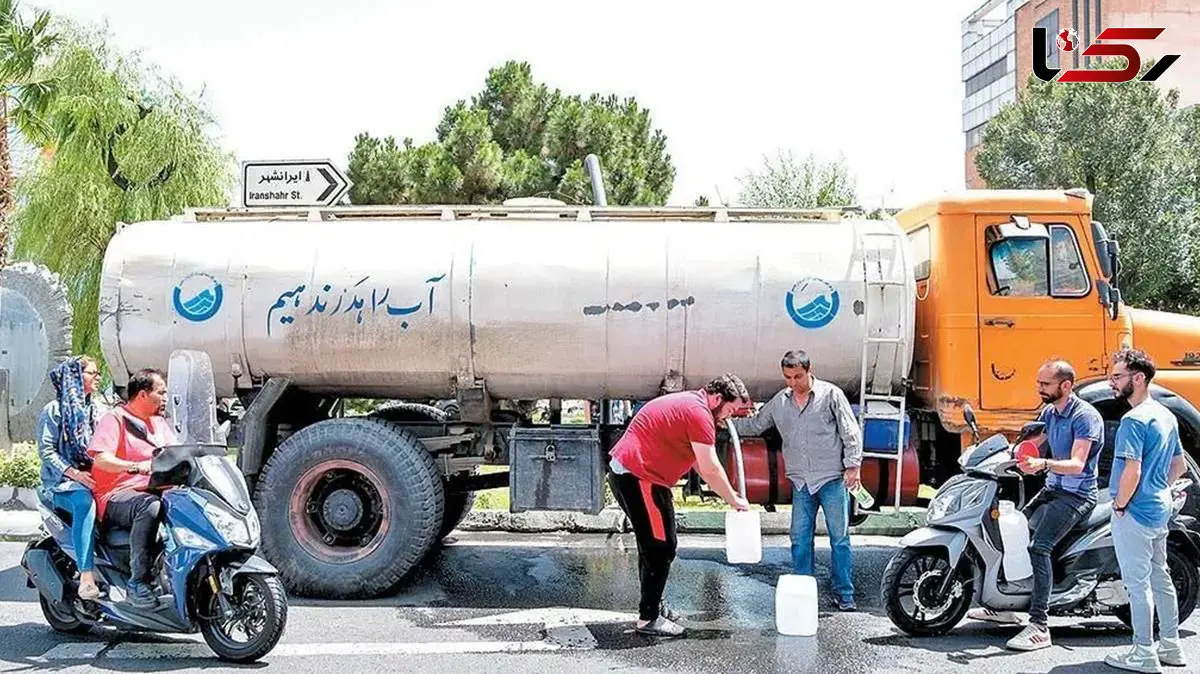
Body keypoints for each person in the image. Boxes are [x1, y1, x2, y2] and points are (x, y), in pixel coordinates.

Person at [967, 359, 1105, 651]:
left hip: (1076, 495)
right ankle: (1006, 605)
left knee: (1038, 547)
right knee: (1009, 534)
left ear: (1065, 386)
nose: (1039, 388)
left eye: (1045, 384)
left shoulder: (1085, 417)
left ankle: (1040, 627)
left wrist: (1043, 463)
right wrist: (1009, 456)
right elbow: (1033, 442)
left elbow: (1078, 464)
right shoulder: (1050, 412)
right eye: (1039, 382)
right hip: (1052, 488)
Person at [609, 374, 752, 638]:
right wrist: (733, 499)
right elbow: (709, 468)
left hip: (642, 476)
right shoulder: (699, 414)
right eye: (730, 410)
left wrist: (729, 496)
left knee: (658, 544)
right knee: (659, 547)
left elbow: (699, 462)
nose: (728, 418)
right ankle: (648, 618)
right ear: (717, 398)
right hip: (639, 476)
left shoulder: (695, 406)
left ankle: (654, 604)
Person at [730, 350, 862, 611]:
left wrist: (853, 466)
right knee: (800, 538)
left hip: (831, 478)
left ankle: (845, 594)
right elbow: (757, 425)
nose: (793, 382)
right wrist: (726, 424)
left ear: (809, 370)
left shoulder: (831, 395)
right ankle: (804, 590)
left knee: (840, 538)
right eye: (788, 377)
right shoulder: (780, 402)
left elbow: (850, 431)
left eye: (797, 376)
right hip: (801, 481)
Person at [1103, 348, 1188, 672]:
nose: (1112, 382)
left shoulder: (1133, 420)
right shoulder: (1165, 415)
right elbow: (1178, 466)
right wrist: (1156, 490)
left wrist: (1122, 505)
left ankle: (1143, 653)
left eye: (1118, 376)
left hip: (1135, 512)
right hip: (1159, 508)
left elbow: (1132, 470)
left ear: (1138, 378)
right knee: (1160, 577)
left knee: (1137, 586)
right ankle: (1171, 646)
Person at [87, 368, 176, 608]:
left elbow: (176, 453)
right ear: (143, 395)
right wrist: (136, 467)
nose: (166, 397)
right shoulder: (115, 419)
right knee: (149, 507)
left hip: (157, 489)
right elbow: (101, 460)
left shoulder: (160, 424)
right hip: (116, 494)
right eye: (161, 392)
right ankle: (138, 583)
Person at [36, 356, 104, 601]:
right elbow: (46, 451)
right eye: (92, 373)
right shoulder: (54, 410)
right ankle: (86, 577)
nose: (98, 377)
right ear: (75, 377)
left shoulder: (96, 409)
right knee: (84, 502)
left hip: (94, 475)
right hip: (61, 483)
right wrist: (75, 474)